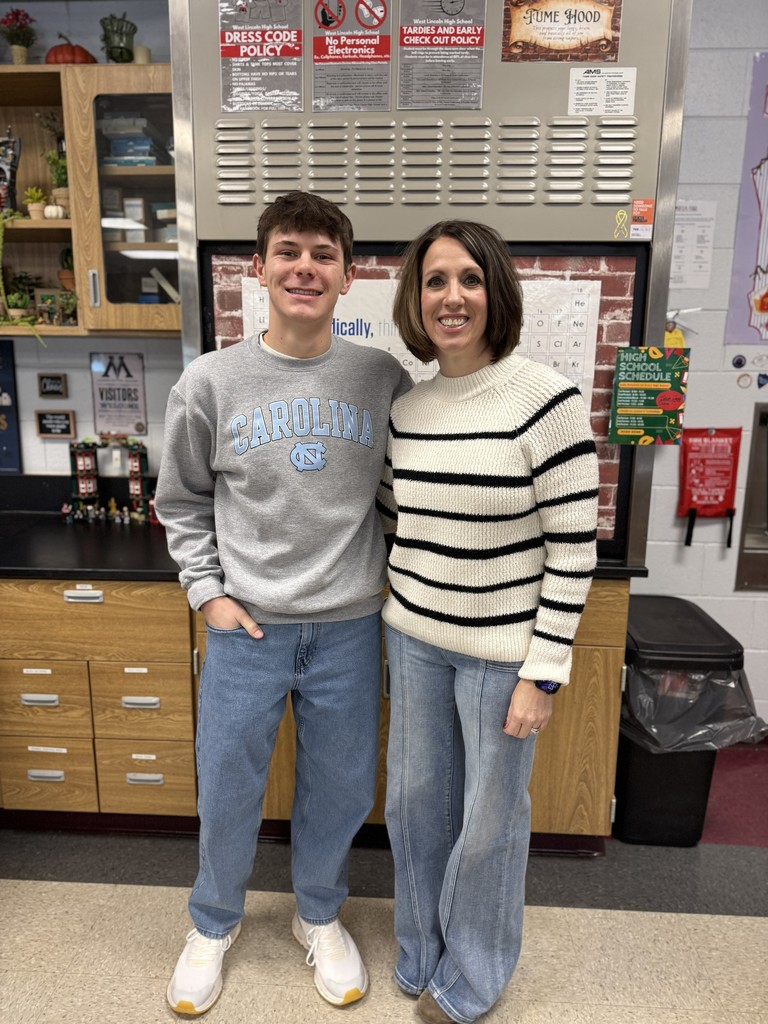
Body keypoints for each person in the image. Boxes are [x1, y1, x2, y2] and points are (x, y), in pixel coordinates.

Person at [155, 191, 412, 1016]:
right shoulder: (210, 382)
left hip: (348, 624)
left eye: (324, 255)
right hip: (247, 627)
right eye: (289, 252)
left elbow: (401, 495)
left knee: (340, 788)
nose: (306, 267)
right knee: (228, 784)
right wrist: (207, 595)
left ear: (349, 275)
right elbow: (183, 501)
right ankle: (212, 923)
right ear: (256, 269)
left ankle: (319, 915)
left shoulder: (382, 380)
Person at [376, 220, 599, 1024]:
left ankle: (473, 976)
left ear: (496, 291)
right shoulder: (410, 409)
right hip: (413, 639)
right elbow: (399, 520)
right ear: (416, 300)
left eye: (469, 279)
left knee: (489, 825)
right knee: (413, 807)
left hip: (501, 655)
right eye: (435, 281)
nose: (452, 297)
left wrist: (543, 672)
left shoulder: (547, 402)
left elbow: (575, 551)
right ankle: (420, 947)